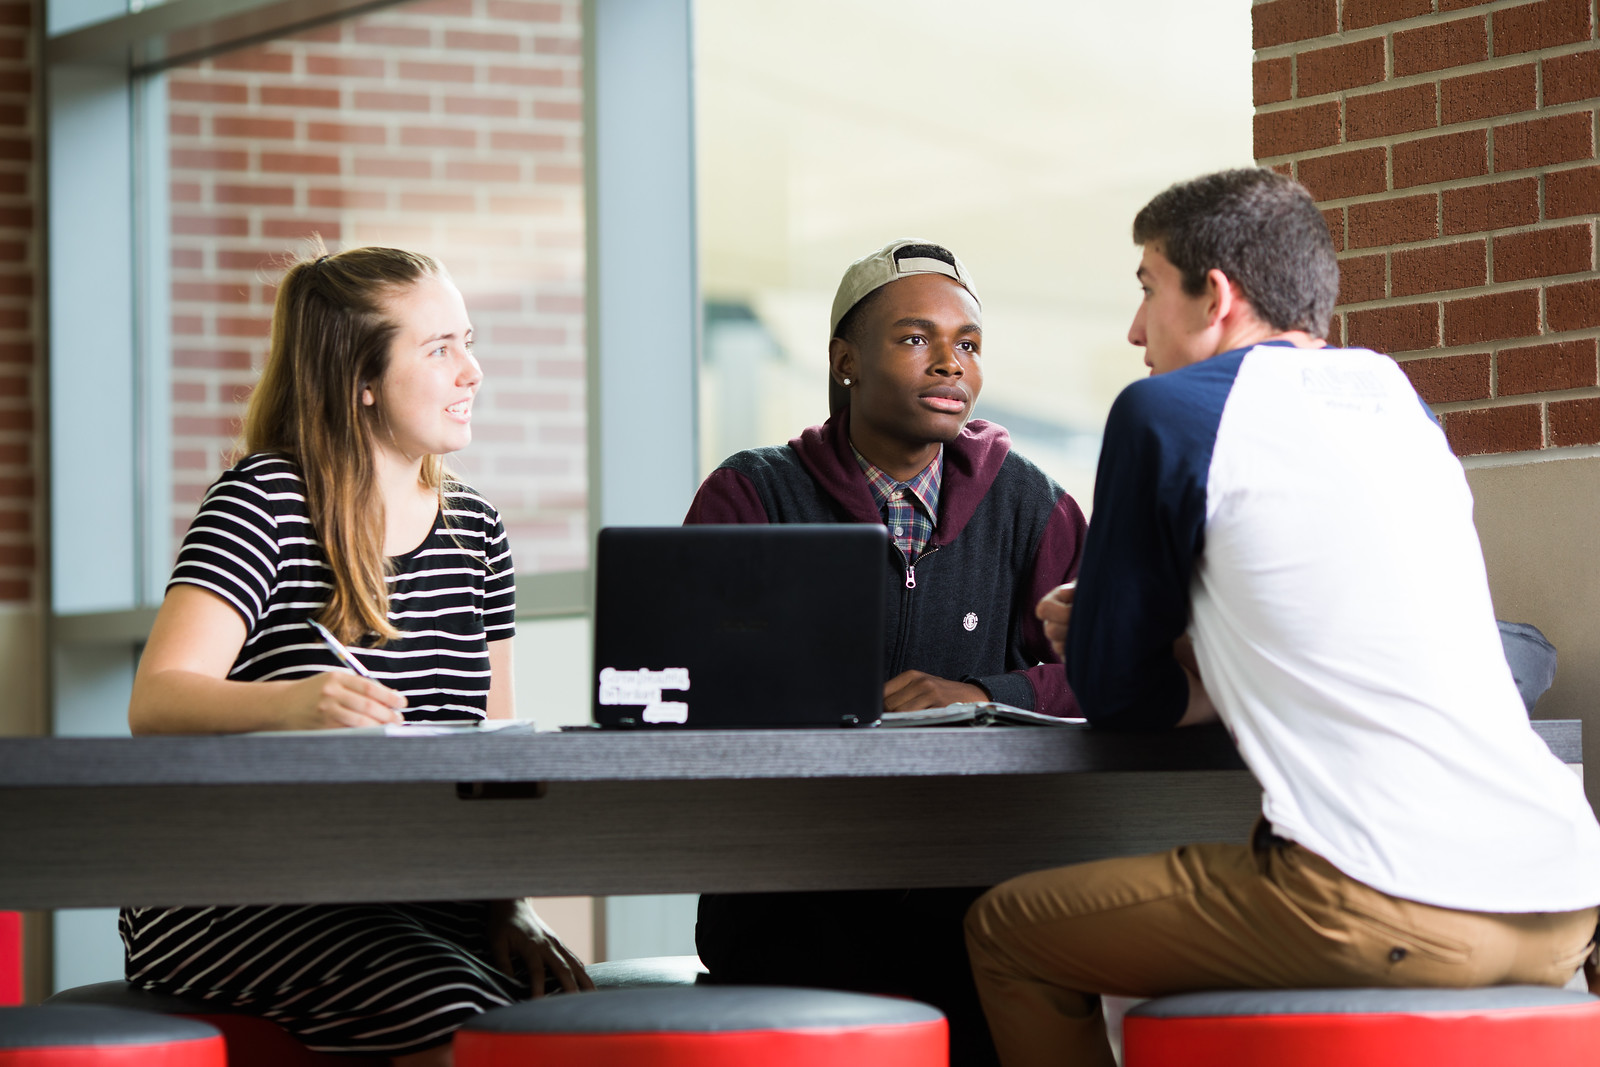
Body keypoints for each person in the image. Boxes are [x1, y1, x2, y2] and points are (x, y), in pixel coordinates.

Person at [964, 168, 1600, 1067]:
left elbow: (1112, 693)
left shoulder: (1167, 412)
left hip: (1385, 900)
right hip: (1565, 897)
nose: (1136, 329)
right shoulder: (1398, 402)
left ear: (1215, 295)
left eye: (1147, 289)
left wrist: (1106, 628)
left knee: (1010, 931)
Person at [119, 244, 593, 1065]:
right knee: (470, 1025)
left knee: (556, 1023)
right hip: (246, 893)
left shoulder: (477, 529)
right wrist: (291, 703)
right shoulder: (262, 499)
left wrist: (507, 903)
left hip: (412, 890)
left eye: (468, 340)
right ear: (359, 379)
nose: (471, 370)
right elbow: (156, 700)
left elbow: (495, 750)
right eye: (439, 348)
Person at [686, 239, 1088, 1066]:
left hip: (975, 900)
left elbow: (1095, 673)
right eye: (915, 339)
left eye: (968, 344)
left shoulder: (1035, 505)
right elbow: (687, 676)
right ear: (846, 362)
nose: (950, 364)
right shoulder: (751, 493)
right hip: (789, 906)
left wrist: (977, 692)